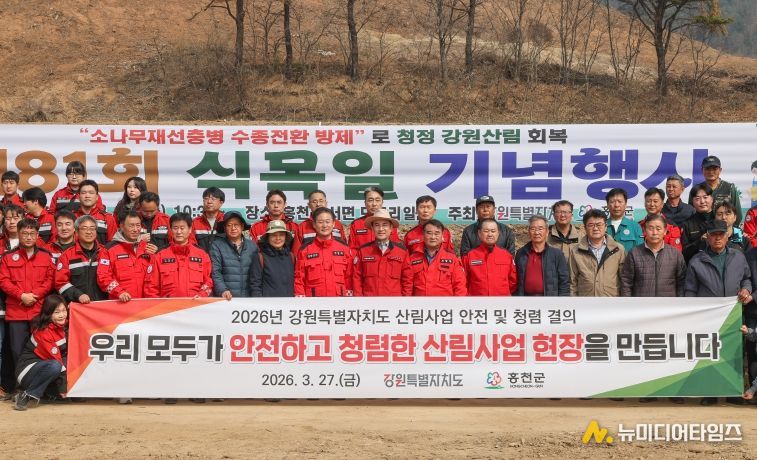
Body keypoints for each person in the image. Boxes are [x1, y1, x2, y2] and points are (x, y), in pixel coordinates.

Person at [685, 220, 752, 406]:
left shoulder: (738, 257)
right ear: (707, 236)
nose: (717, 238)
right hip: (707, 317)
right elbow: (690, 289)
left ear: (727, 236)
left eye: (720, 234)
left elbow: (747, 279)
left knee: (733, 353)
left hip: (733, 314)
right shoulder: (697, 260)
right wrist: (693, 313)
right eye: (713, 234)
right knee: (709, 354)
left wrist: (746, 290)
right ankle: (710, 392)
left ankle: (733, 392)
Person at [0, 218, 54, 388]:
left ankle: (39, 386)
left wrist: (35, 295)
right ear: (18, 234)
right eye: (24, 233)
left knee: (40, 349)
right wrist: (21, 295)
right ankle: (21, 387)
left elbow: (50, 280)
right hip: (16, 312)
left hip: (38, 312)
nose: (29, 237)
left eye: (32, 233)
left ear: (37, 235)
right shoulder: (8, 257)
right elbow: (3, 280)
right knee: (17, 351)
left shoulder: (46, 256)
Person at [13, 295, 68, 411]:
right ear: (48, 313)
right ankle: (26, 395)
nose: (62, 315)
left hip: (45, 368)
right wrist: (63, 386)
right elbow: (57, 361)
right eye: (57, 312)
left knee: (68, 361)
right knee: (55, 365)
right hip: (27, 371)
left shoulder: (62, 326)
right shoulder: (43, 331)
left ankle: (47, 393)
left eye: (64, 310)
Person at [145, 212, 213, 298]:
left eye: (182, 228)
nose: (179, 232)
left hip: (195, 304)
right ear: (170, 230)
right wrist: (159, 305)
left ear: (190, 229)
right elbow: (151, 287)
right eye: (175, 228)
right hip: (167, 305)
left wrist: (201, 295)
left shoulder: (202, 255)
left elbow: (208, 281)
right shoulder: (160, 255)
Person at [620, 214, 686, 297]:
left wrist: (679, 302)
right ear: (644, 230)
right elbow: (626, 282)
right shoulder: (634, 253)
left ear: (665, 231)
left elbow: (682, 283)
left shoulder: (675, 254)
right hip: (641, 303)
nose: (654, 233)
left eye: (658, 229)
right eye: (651, 228)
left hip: (668, 303)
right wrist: (628, 302)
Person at [294, 207, 354, 297]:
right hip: (314, 303)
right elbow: (299, 279)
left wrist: (349, 301)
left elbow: (349, 278)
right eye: (320, 222)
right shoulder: (305, 250)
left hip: (339, 301)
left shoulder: (344, 249)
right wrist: (301, 302)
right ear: (314, 224)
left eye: (328, 221)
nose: (325, 225)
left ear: (333, 224)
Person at [352, 209, 412, 296]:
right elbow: (357, 278)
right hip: (369, 301)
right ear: (372, 228)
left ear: (391, 228)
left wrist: (404, 300)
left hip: (395, 301)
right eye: (377, 225)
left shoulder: (402, 251)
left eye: (385, 225)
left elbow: (407, 280)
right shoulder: (363, 251)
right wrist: (359, 301)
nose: (381, 229)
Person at [97, 210, 152, 302]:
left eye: (138, 225)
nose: (135, 229)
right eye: (131, 226)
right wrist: (119, 292)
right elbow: (103, 278)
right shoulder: (108, 250)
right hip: (121, 304)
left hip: (146, 304)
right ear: (122, 226)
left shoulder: (148, 248)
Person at [569, 209, 625, 297]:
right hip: (585, 301)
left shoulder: (618, 249)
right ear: (585, 227)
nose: (595, 228)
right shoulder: (576, 251)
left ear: (606, 226)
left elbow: (624, 279)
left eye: (599, 224)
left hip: (611, 300)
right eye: (591, 225)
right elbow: (572, 281)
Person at [55, 215, 108, 304]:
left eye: (92, 228)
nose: (89, 232)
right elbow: (60, 283)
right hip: (78, 306)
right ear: (76, 232)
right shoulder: (66, 256)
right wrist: (78, 295)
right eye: (84, 228)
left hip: (102, 306)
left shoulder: (105, 253)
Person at [409, 219, 467, 296]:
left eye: (437, 233)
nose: (433, 237)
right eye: (429, 233)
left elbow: (460, 286)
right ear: (423, 234)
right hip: (420, 303)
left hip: (445, 303)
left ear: (442, 235)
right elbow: (407, 285)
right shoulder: (413, 258)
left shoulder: (452, 259)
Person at [515, 215, 570, 296]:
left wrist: (562, 301)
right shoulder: (521, 253)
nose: (536, 232)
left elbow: (564, 282)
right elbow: (516, 280)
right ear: (529, 232)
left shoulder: (557, 254)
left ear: (547, 232)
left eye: (540, 229)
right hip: (525, 300)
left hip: (549, 300)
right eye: (533, 229)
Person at [462, 218, 516, 296]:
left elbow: (513, 281)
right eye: (486, 231)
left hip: (501, 301)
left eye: (493, 231)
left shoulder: (506, 255)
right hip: (477, 301)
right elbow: (463, 281)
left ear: (498, 233)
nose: (490, 234)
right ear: (479, 233)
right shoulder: (469, 256)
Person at [210, 211, 258, 299]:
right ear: (224, 228)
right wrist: (222, 290)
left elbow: (257, 274)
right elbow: (215, 272)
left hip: (249, 298)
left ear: (242, 226)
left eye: (236, 225)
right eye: (229, 225)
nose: (233, 228)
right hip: (226, 298)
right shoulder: (217, 246)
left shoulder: (252, 246)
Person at [688, 155, 743, 226]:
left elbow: (737, 215)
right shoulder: (696, 189)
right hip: (701, 229)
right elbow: (690, 212)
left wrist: (730, 231)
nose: (711, 172)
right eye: (707, 169)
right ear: (702, 170)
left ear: (720, 170)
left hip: (724, 230)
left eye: (714, 168)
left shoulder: (730, 188)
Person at [252, 220, 296, 297]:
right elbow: (255, 285)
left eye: (281, 235)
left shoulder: (291, 257)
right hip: (268, 304)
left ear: (285, 237)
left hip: (290, 303)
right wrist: (259, 303)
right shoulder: (260, 257)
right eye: (273, 235)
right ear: (268, 238)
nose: (278, 238)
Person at [295, 190, 347, 255]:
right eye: (314, 202)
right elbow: (296, 253)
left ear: (326, 203)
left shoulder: (337, 224)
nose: (318, 204)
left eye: (321, 201)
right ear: (309, 205)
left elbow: (344, 247)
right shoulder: (302, 227)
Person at [348, 186, 400, 251]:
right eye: (370, 200)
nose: (374, 204)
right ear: (365, 203)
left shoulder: (390, 222)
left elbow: (395, 247)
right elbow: (351, 249)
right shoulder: (356, 224)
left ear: (382, 202)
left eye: (377, 200)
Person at [73, 180, 116, 245]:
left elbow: (113, 244)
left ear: (97, 197)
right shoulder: (72, 217)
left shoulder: (108, 218)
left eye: (91, 193)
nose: (87, 196)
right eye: (84, 193)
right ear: (79, 196)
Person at [682, 183, 714, 263]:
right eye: (697, 198)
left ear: (712, 199)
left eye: (705, 197)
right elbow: (684, 252)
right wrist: (700, 241)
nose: (702, 201)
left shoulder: (719, 219)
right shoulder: (687, 224)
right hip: (696, 265)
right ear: (692, 202)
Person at [605, 188, 643, 253]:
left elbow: (640, 252)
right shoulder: (601, 226)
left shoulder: (635, 226)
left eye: (620, 201)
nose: (616, 205)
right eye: (612, 202)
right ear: (607, 205)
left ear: (625, 205)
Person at [191, 187, 225, 254]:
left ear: (221, 203)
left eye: (213, 199)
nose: (209, 202)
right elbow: (192, 244)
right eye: (206, 198)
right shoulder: (195, 222)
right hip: (201, 259)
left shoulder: (226, 221)